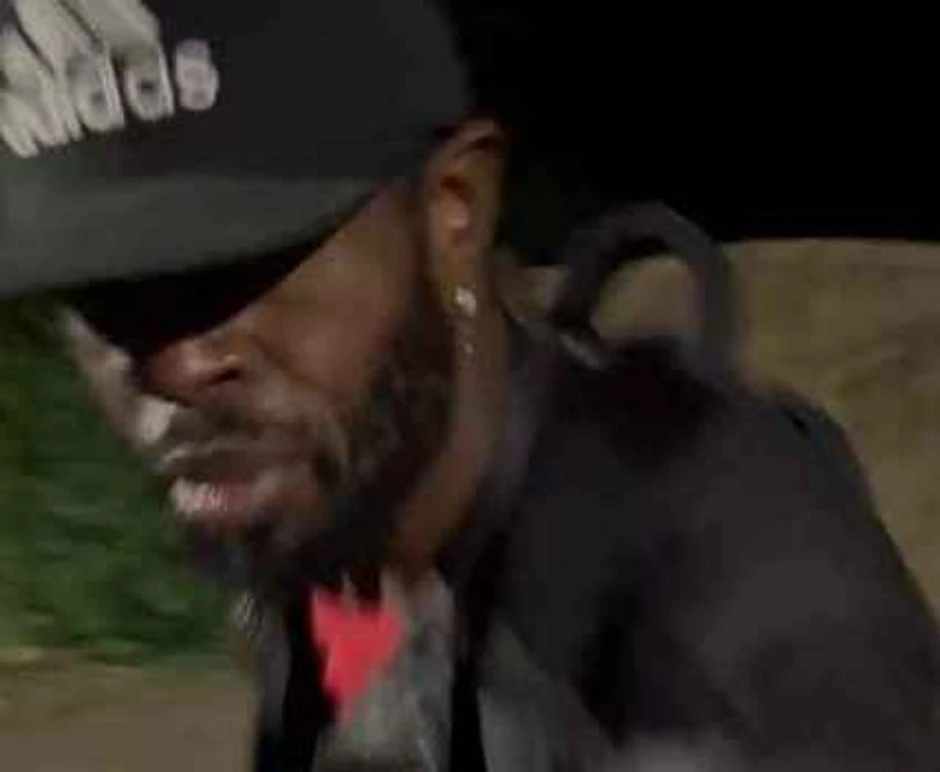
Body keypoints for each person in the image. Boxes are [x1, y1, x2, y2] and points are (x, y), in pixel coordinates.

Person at [2, 1, 939, 770]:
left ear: (455, 208)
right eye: (104, 300)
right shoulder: (350, 512)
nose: (170, 368)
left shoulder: (732, 631)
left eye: (238, 271)